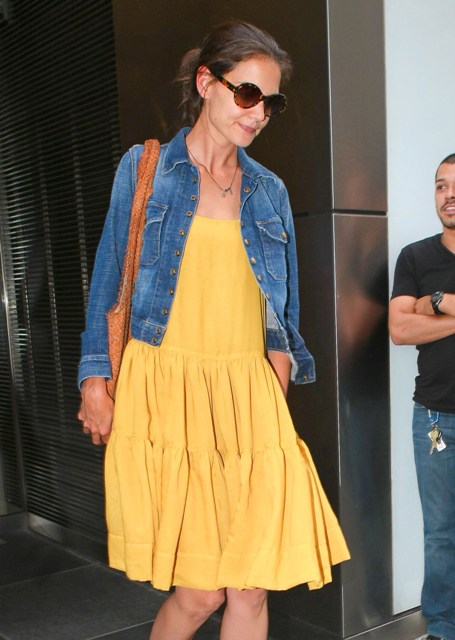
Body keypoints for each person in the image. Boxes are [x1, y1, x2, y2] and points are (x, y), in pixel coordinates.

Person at [77, 20, 349, 640]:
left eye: (271, 102)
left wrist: (275, 391)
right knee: (200, 590)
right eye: (246, 93)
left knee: (251, 584)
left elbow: (281, 314)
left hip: (247, 398)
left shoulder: (269, 191)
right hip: (166, 391)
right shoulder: (146, 168)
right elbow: (108, 281)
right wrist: (95, 380)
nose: (258, 113)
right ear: (206, 82)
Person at [389, 153, 455, 640]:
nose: (449, 195)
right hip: (436, 417)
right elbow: (399, 328)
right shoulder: (414, 257)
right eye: (441, 186)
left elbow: (416, 319)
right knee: (441, 532)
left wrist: (433, 305)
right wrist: (444, 304)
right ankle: (443, 625)